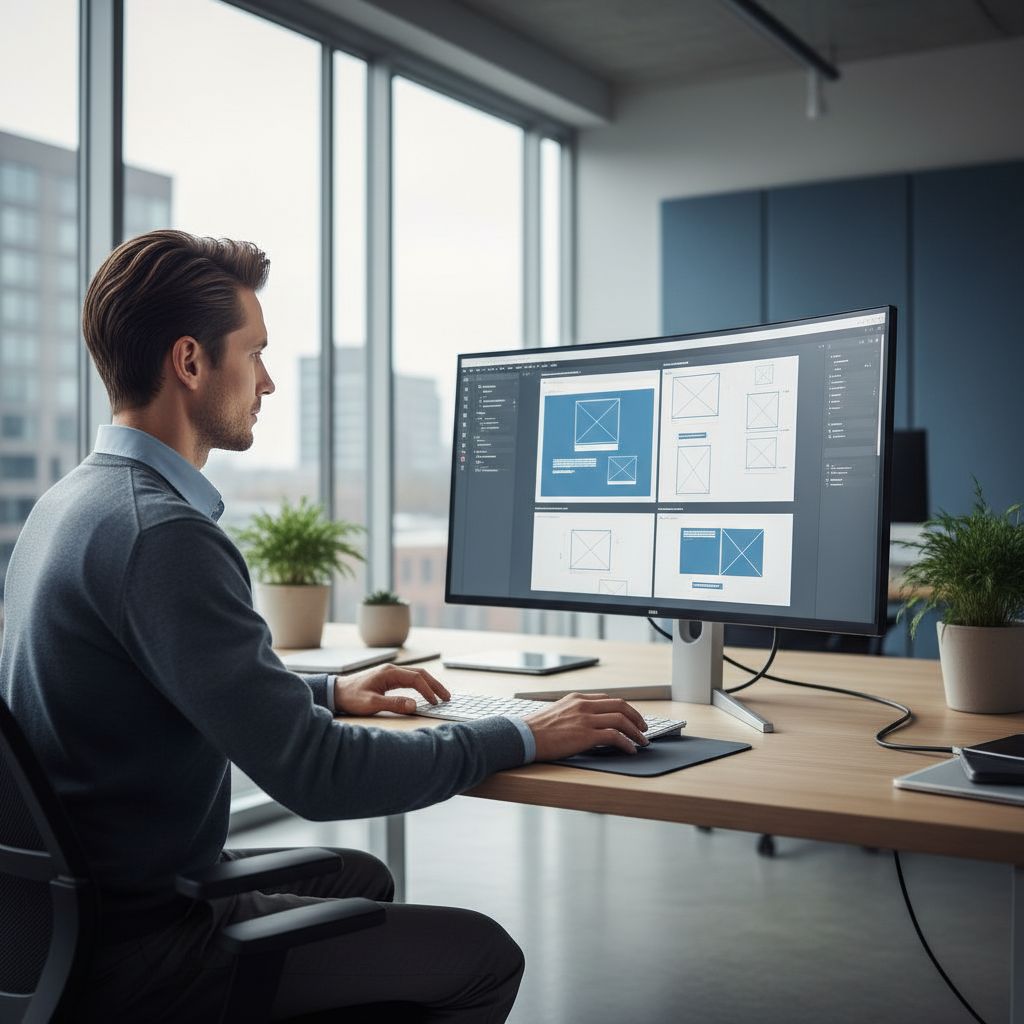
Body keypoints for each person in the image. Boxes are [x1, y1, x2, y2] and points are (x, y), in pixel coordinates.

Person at [0, 229, 651, 1022]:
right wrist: (525, 735)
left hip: (65, 922)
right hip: (143, 946)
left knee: (356, 881)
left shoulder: (70, 506)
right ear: (190, 362)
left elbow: (159, 682)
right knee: (483, 957)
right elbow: (319, 776)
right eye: (257, 352)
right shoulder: (161, 534)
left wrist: (332, 690)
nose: (268, 381)